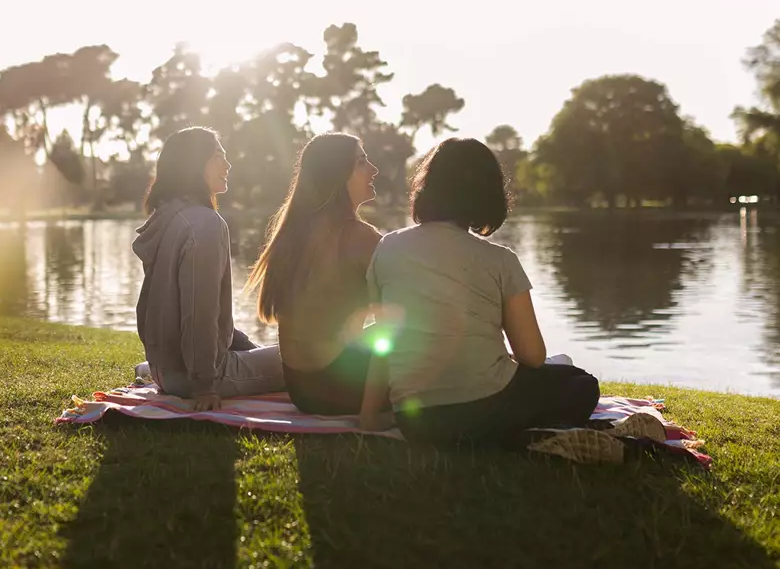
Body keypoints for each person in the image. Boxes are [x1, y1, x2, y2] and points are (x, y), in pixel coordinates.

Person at [360, 137, 600, 443]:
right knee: (581, 384)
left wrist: (369, 415)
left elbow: (384, 340)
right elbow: (533, 356)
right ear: (488, 194)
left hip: (417, 422)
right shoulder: (501, 260)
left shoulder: (388, 247)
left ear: (427, 186)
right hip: (487, 413)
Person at [133, 126, 284, 411]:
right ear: (194, 164)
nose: (227, 164)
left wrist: (248, 350)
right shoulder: (205, 224)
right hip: (201, 376)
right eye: (218, 156)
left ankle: (148, 370)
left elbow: (196, 314)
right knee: (308, 359)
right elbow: (198, 312)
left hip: (164, 370)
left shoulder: (167, 216)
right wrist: (205, 384)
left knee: (275, 353)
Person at [244, 133, 389, 416]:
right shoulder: (359, 237)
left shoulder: (291, 232)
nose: (374, 170)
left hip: (303, 391)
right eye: (362, 162)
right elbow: (400, 316)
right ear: (337, 174)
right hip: (343, 390)